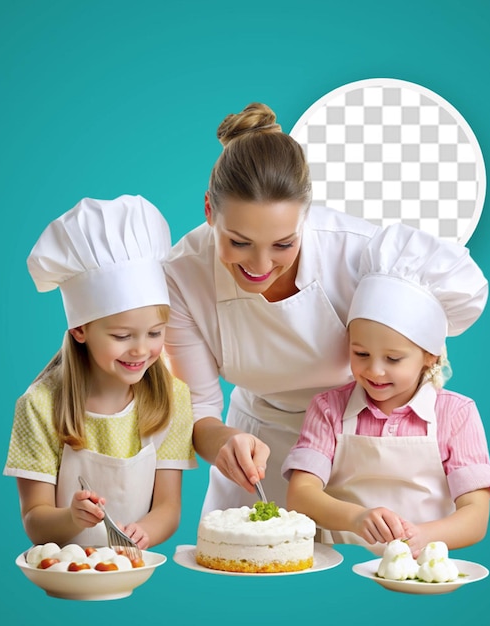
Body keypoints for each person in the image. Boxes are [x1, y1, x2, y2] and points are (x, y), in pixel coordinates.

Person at [164, 102, 387, 514]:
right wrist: (224, 443)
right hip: (258, 443)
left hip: (362, 435)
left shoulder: (360, 253)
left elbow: (413, 364)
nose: (260, 266)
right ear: (210, 211)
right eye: (239, 242)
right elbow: (199, 411)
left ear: (305, 219)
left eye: (283, 244)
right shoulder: (183, 275)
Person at [282, 224, 490, 557]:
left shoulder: (456, 415)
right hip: (339, 564)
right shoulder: (328, 408)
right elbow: (301, 494)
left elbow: (475, 517)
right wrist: (356, 517)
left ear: (430, 355)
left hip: (418, 569)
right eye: (360, 354)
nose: (374, 370)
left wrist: (421, 537)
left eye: (394, 358)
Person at [4, 194, 197, 549]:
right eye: (122, 336)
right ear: (80, 329)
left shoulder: (172, 399)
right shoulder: (39, 405)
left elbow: (168, 507)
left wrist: (147, 532)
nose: (141, 349)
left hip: (134, 572)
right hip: (64, 571)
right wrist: (70, 517)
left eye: (155, 333)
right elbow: (35, 521)